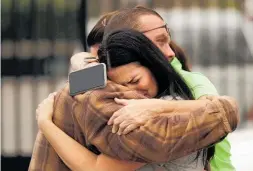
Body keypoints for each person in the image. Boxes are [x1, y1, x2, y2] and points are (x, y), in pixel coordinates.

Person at [29, 7, 238, 171]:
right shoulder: (118, 88)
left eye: (135, 80)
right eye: (159, 42)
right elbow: (78, 73)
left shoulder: (158, 110)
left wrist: (45, 123)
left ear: (143, 53)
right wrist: (82, 61)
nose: (170, 52)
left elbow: (226, 109)